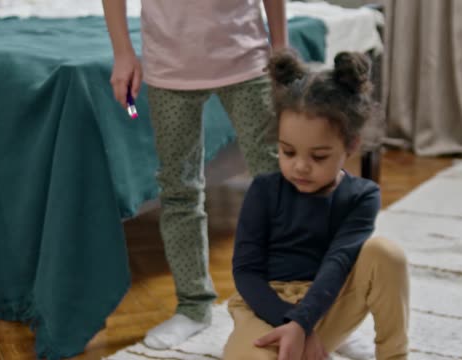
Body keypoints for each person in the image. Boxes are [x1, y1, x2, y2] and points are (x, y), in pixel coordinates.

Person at [102, 0, 287, 349]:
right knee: (179, 190)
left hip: (247, 60)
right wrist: (123, 52)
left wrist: (280, 45)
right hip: (169, 65)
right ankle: (193, 306)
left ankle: (306, 304)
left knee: (280, 188)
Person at [223, 50, 410, 360]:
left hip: (327, 300)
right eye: (288, 152)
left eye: (318, 156)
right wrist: (293, 323)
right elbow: (246, 271)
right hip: (265, 305)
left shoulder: (363, 195)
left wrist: (303, 321)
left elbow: (339, 262)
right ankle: (317, 342)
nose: (300, 167)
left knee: (386, 254)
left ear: (351, 145)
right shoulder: (263, 190)